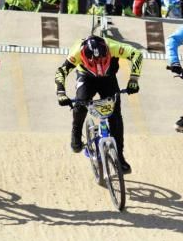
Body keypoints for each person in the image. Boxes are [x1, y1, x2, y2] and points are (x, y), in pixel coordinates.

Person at [54, 35, 142, 173]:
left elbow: (137, 54)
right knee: (80, 104)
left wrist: (134, 79)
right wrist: (60, 93)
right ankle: (76, 133)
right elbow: (61, 71)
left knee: (115, 115)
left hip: (108, 78)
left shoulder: (113, 47)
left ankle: (119, 156)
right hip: (86, 78)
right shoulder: (77, 51)